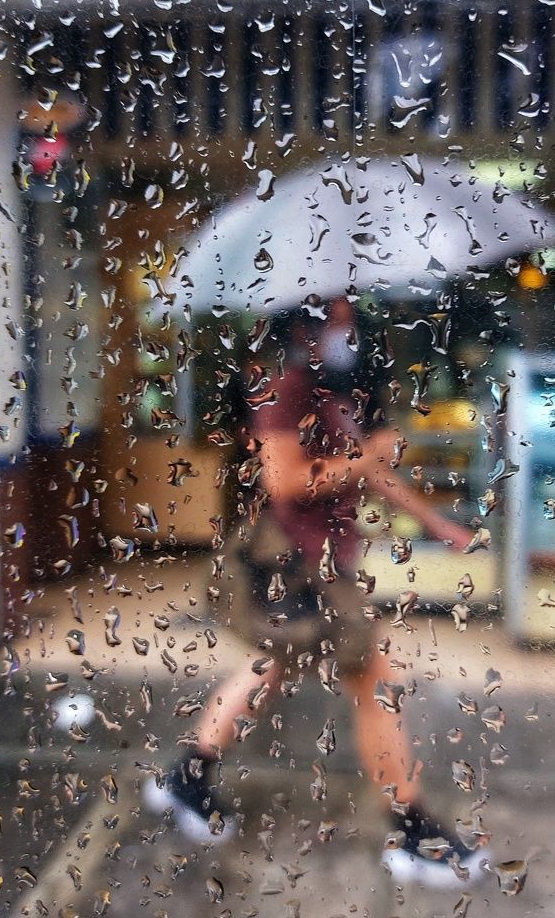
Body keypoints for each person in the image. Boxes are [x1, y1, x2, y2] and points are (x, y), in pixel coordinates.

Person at [144, 296, 486, 887]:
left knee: (271, 667)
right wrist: (362, 457)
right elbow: (288, 482)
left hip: (326, 560)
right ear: (303, 320)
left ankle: (188, 775)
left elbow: (373, 470)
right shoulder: (287, 389)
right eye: (334, 315)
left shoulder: (335, 392)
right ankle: (412, 831)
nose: (346, 325)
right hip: (300, 565)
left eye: (350, 313)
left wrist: (438, 526)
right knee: (375, 678)